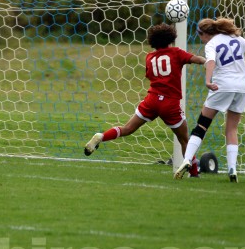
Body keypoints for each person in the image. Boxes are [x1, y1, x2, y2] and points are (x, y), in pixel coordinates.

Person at [84, 23, 206, 176]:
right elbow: (196, 59)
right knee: (184, 140)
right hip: (170, 103)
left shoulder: (150, 57)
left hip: (152, 100)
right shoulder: (176, 52)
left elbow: (150, 75)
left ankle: (101, 136)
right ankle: (194, 173)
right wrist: (207, 61)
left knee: (127, 128)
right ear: (171, 38)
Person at [174, 18, 245, 182]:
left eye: (200, 35)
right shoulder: (236, 38)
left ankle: (187, 159)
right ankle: (232, 169)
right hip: (242, 88)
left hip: (223, 86)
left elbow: (211, 61)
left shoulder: (211, 44)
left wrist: (208, 80)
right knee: (232, 129)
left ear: (204, 34)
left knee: (202, 125)